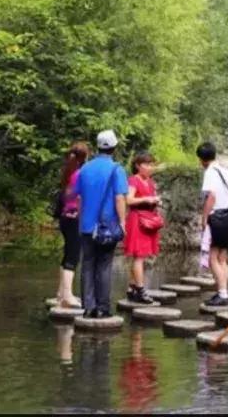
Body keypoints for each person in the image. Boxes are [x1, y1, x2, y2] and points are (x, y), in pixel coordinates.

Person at [75, 129, 129, 318]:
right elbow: (120, 198)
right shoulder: (117, 169)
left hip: (87, 226)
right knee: (104, 265)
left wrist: (82, 222)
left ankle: (88, 307)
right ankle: (103, 308)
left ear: (97, 146)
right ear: (114, 147)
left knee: (87, 264)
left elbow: (79, 198)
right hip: (107, 226)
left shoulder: (85, 169)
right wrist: (123, 223)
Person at [197, 142, 228, 307]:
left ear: (201, 159)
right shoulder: (225, 171)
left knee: (213, 257)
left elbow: (211, 196)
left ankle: (222, 294)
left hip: (218, 217)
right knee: (222, 258)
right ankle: (223, 292)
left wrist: (204, 217)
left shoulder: (210, 172)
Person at [54, 142, 90, 308]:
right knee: (73, 256)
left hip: (64, 218)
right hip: (75, 218)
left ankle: (61, 292)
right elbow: (81, 198)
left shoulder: (68, 172)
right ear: (85, 157)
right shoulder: (81, 174)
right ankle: (67, 295)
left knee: (67, 253)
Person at [125, 152, 162, 305]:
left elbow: (152, 197)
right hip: (137, 220)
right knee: (139, 256)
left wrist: (155, 201)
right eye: (146, 164)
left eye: (151, 164)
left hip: (148, 220)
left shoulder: (151, 181)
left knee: (143, 255)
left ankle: (132, 287)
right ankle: (140, 289)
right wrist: (146, 199)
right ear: (137, 166)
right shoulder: (134, 180)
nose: (149, 167)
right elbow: (128, 200)